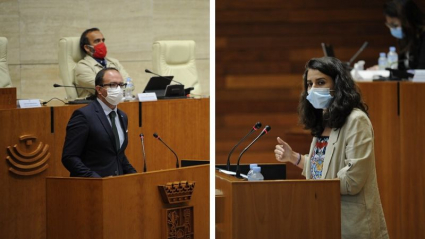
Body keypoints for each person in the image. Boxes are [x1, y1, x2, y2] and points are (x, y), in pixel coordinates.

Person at [274, 57, 389, 239]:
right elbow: (322, 168)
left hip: (352, 223)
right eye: (309, 84)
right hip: (324, 217)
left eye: (320, 82)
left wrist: (312, 189)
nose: (313, 89)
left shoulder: (356, 120)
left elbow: (352, 181)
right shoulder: (324, 121)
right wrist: (293, 157)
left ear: (338, 84)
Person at [62, 67, 137, 177]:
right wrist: (97, 179)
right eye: (112, 85)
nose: (118, 89)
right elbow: (69, 157)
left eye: (121, 85)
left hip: (117, 185)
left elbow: (118, 154)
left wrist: (135, 176)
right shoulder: (84, 116)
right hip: (92, 187)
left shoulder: (122, 116)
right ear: (98, 89)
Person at [75, 28, 130, 98]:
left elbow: (129, 84)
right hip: (94, 106)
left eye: (103, 40)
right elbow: (103, 90)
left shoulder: (114, 62)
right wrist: (122, 87)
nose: (102, 44)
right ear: (87, 48)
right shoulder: (82, 66)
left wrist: (125, 88)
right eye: (97, 41)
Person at [384, 0, 425, 70]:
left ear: (409, 22)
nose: (392, 29)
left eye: (395, 25)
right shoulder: (406, 38)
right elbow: (402, 67)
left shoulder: (423, 37)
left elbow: (421, 70)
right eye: (389, 25)